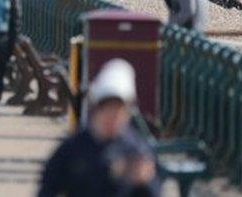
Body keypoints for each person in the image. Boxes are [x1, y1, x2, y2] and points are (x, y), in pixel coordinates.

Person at [39, 59, 159, 197]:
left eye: (118, 111)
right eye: (107, 110)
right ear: (96, 110)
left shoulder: (136, 150)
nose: (112, 118)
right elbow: (47, 190)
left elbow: (155, 191)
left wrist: (144, 182)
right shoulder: (72, 148)